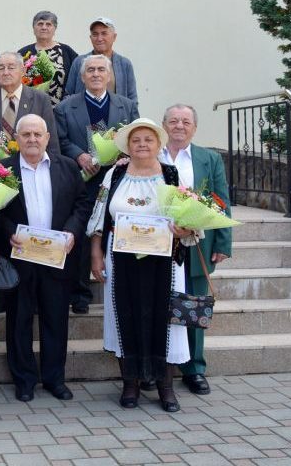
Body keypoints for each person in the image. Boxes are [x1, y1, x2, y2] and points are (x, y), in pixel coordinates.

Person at [87, 117, 197, 413]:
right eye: (136, 140)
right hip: (120, 260)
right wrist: (96, 253)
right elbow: (99, 217)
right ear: (128, 146)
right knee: (125, 318)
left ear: (158, 144)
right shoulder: (115, 175)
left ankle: (165, 387)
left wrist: (186, 228)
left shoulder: (172, 176)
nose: (142, 145)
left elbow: (190, 216)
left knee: (166, 321)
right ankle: (131, 384)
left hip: (166, 263)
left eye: (148, 140)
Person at [0, 115, 91, 402]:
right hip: (20, 256)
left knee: (55, 319)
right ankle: (24, 379)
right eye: (26, 134)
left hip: (57, 257)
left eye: (37, 134)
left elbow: (82, 204)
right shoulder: (2, 170)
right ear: (17, 139)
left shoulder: (68, 167)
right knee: (19, 319)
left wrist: (72, 232)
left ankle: (54, 378)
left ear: (47, 138)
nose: (32, 139)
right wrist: (8, 231)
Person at [54, 53, 139, 314]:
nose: (95, 74)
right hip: (83, 179)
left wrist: (122, 156)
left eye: (101, 69)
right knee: (81, 234)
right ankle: (80, 292)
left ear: (109, 74)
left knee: (113, 231)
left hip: (118, 179)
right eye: (90, 70)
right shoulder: (66, 107)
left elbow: (135, 137)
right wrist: (79, 154)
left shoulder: (126, 106)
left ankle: (119, 286)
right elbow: (60, 139)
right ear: (81, 76)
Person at [160, 104, 231, 396]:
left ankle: (194, 369)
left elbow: (221, 199)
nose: (179, 125)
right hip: (158, 243)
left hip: (198, 243)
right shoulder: (153, 154)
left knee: (193, 304)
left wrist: (224, 243)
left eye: (185, 121)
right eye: (173, 120)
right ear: (164, 125)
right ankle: (161, 366)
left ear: (194, 127)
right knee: (160, 303)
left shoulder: (209, 159)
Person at [0, 51, 60, 154]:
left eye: (11, 68)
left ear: (23, 71)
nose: (6, 72)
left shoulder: (41, 99)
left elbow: (51, 142)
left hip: (33, 165)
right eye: (1, 68)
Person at [65, 17, 138, 105]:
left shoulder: (124, 64)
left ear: (114, 37)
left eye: (104, 33)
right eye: (95, 34)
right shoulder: (79, 62)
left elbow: (132, 99)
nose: (99, 38)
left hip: (116, 117)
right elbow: (68, 95)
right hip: (83, 117)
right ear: (90, 37)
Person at [17, 11, 79, 105]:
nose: (44, 27)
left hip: (62, 109)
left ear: (55, 29)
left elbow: (77, 78)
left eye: (48, 24)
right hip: (32, 108)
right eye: (40, 24)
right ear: (33, 29)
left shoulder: (67, 51)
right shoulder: (24, 53)